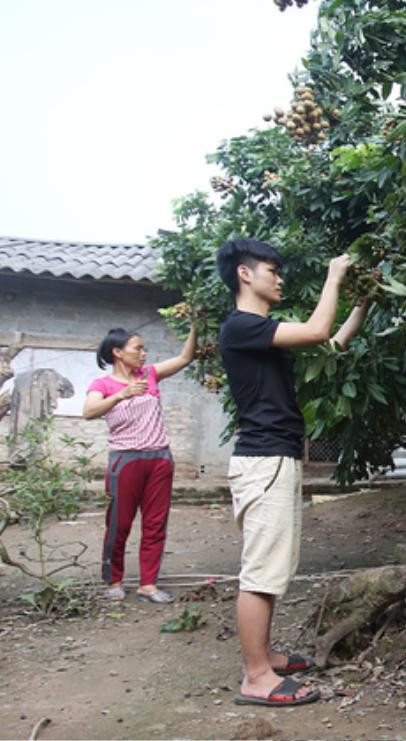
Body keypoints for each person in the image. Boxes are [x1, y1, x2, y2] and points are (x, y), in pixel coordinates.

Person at [216, 238, 367, 707]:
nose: (279, 278)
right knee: (261, 572)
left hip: (274, 459)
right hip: (262, 461)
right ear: (244, 274)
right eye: (271, 270)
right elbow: (320, 330)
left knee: (275, 567)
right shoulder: (240, 326)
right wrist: (334, 275)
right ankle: (256, 676)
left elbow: (332, 344)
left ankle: (267, 657)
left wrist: (363, 302)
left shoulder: (263, 334)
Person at [84, 322, 197, 604]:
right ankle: (113, 580)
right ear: (118, 353)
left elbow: (184, 358)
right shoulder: (103, 384)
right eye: (138, 348)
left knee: (156, 523)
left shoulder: (150, 374)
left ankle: (148, 584)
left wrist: (195, 326)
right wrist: (122, 394)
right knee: (119, 523)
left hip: (159, 458)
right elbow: (89, 411)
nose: (144, 354)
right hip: (126, 460)